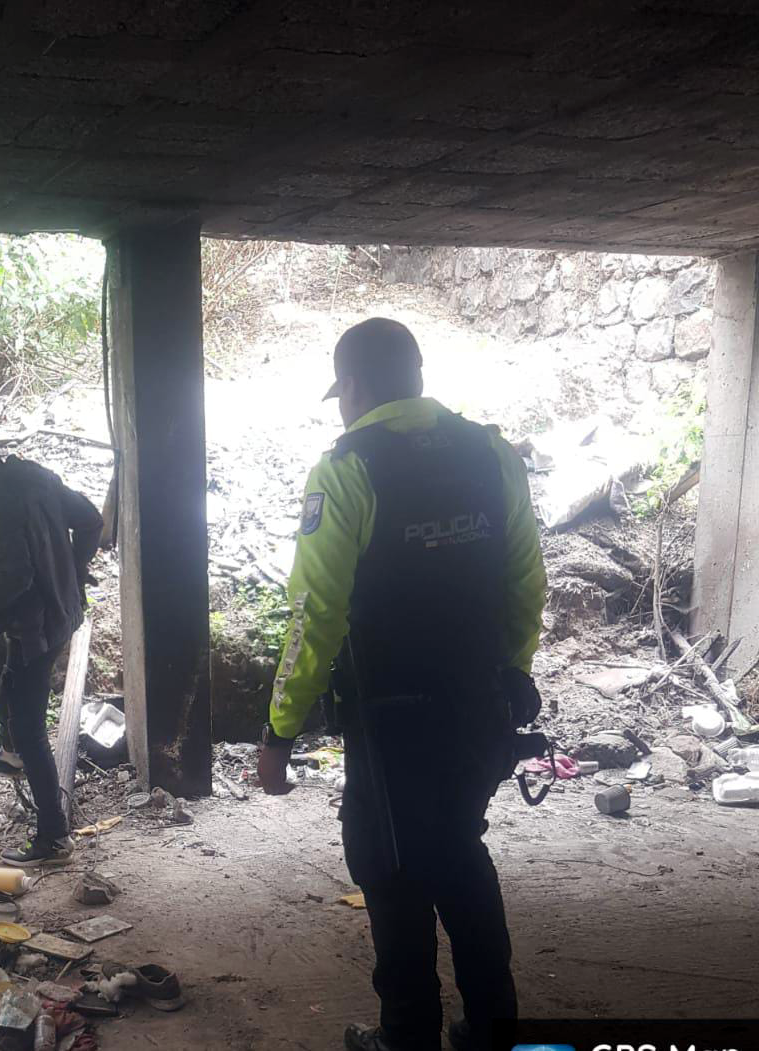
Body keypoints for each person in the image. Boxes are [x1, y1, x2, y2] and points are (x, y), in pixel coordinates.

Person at [256, 319, 546, 1051]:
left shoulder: (346, 468)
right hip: (480, 706)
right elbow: (526, 583)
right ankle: (490, 1027)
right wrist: (512, 673)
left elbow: (314, 616)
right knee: (460, 847)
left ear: (351, 386)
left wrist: (279, 730)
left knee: (389, 866)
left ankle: (406, 1034)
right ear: (416, 373)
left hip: (390, 722)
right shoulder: (492, 452)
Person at [0, 413, 103, 867]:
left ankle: (53, 838)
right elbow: (90, 519)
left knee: (30, 724)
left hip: (35, 624)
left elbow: (16, 574)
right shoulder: (34, 475)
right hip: (63, 608)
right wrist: (71, 565)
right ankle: (9, 751)